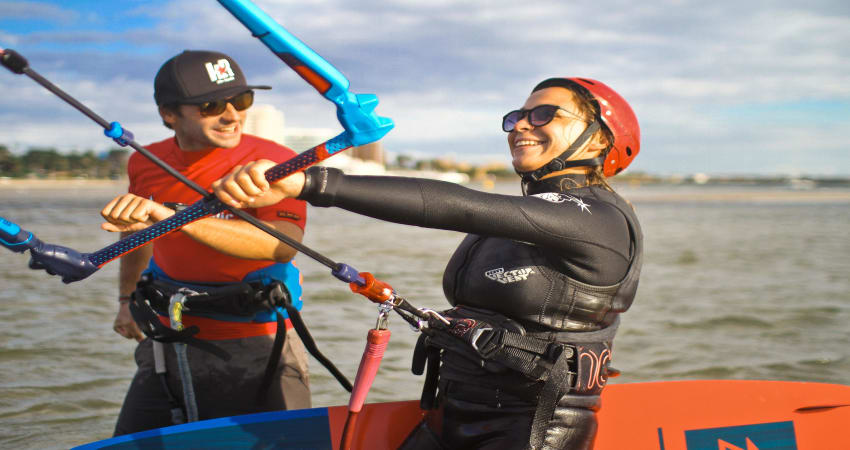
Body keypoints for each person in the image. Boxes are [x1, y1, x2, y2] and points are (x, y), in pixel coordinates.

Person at [212, 77, 642, 449]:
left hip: (535, 427)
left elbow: (462, 207)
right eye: (517, 116)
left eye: (546, 114)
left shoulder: (602, 220)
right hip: (449, 413)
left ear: (600, 138)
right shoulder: (524, 217)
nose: (522, 126)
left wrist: (310, 182)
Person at [100, 50, 311, 436]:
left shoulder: (275, 162)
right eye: (211, 105)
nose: (232, 115)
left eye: (242, 100)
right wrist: (125, 300)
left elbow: (281, 246)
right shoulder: (145, 161)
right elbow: (139, 235)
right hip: (167, 336)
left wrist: (172, 217)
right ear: (169, 114)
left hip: (259, 340)